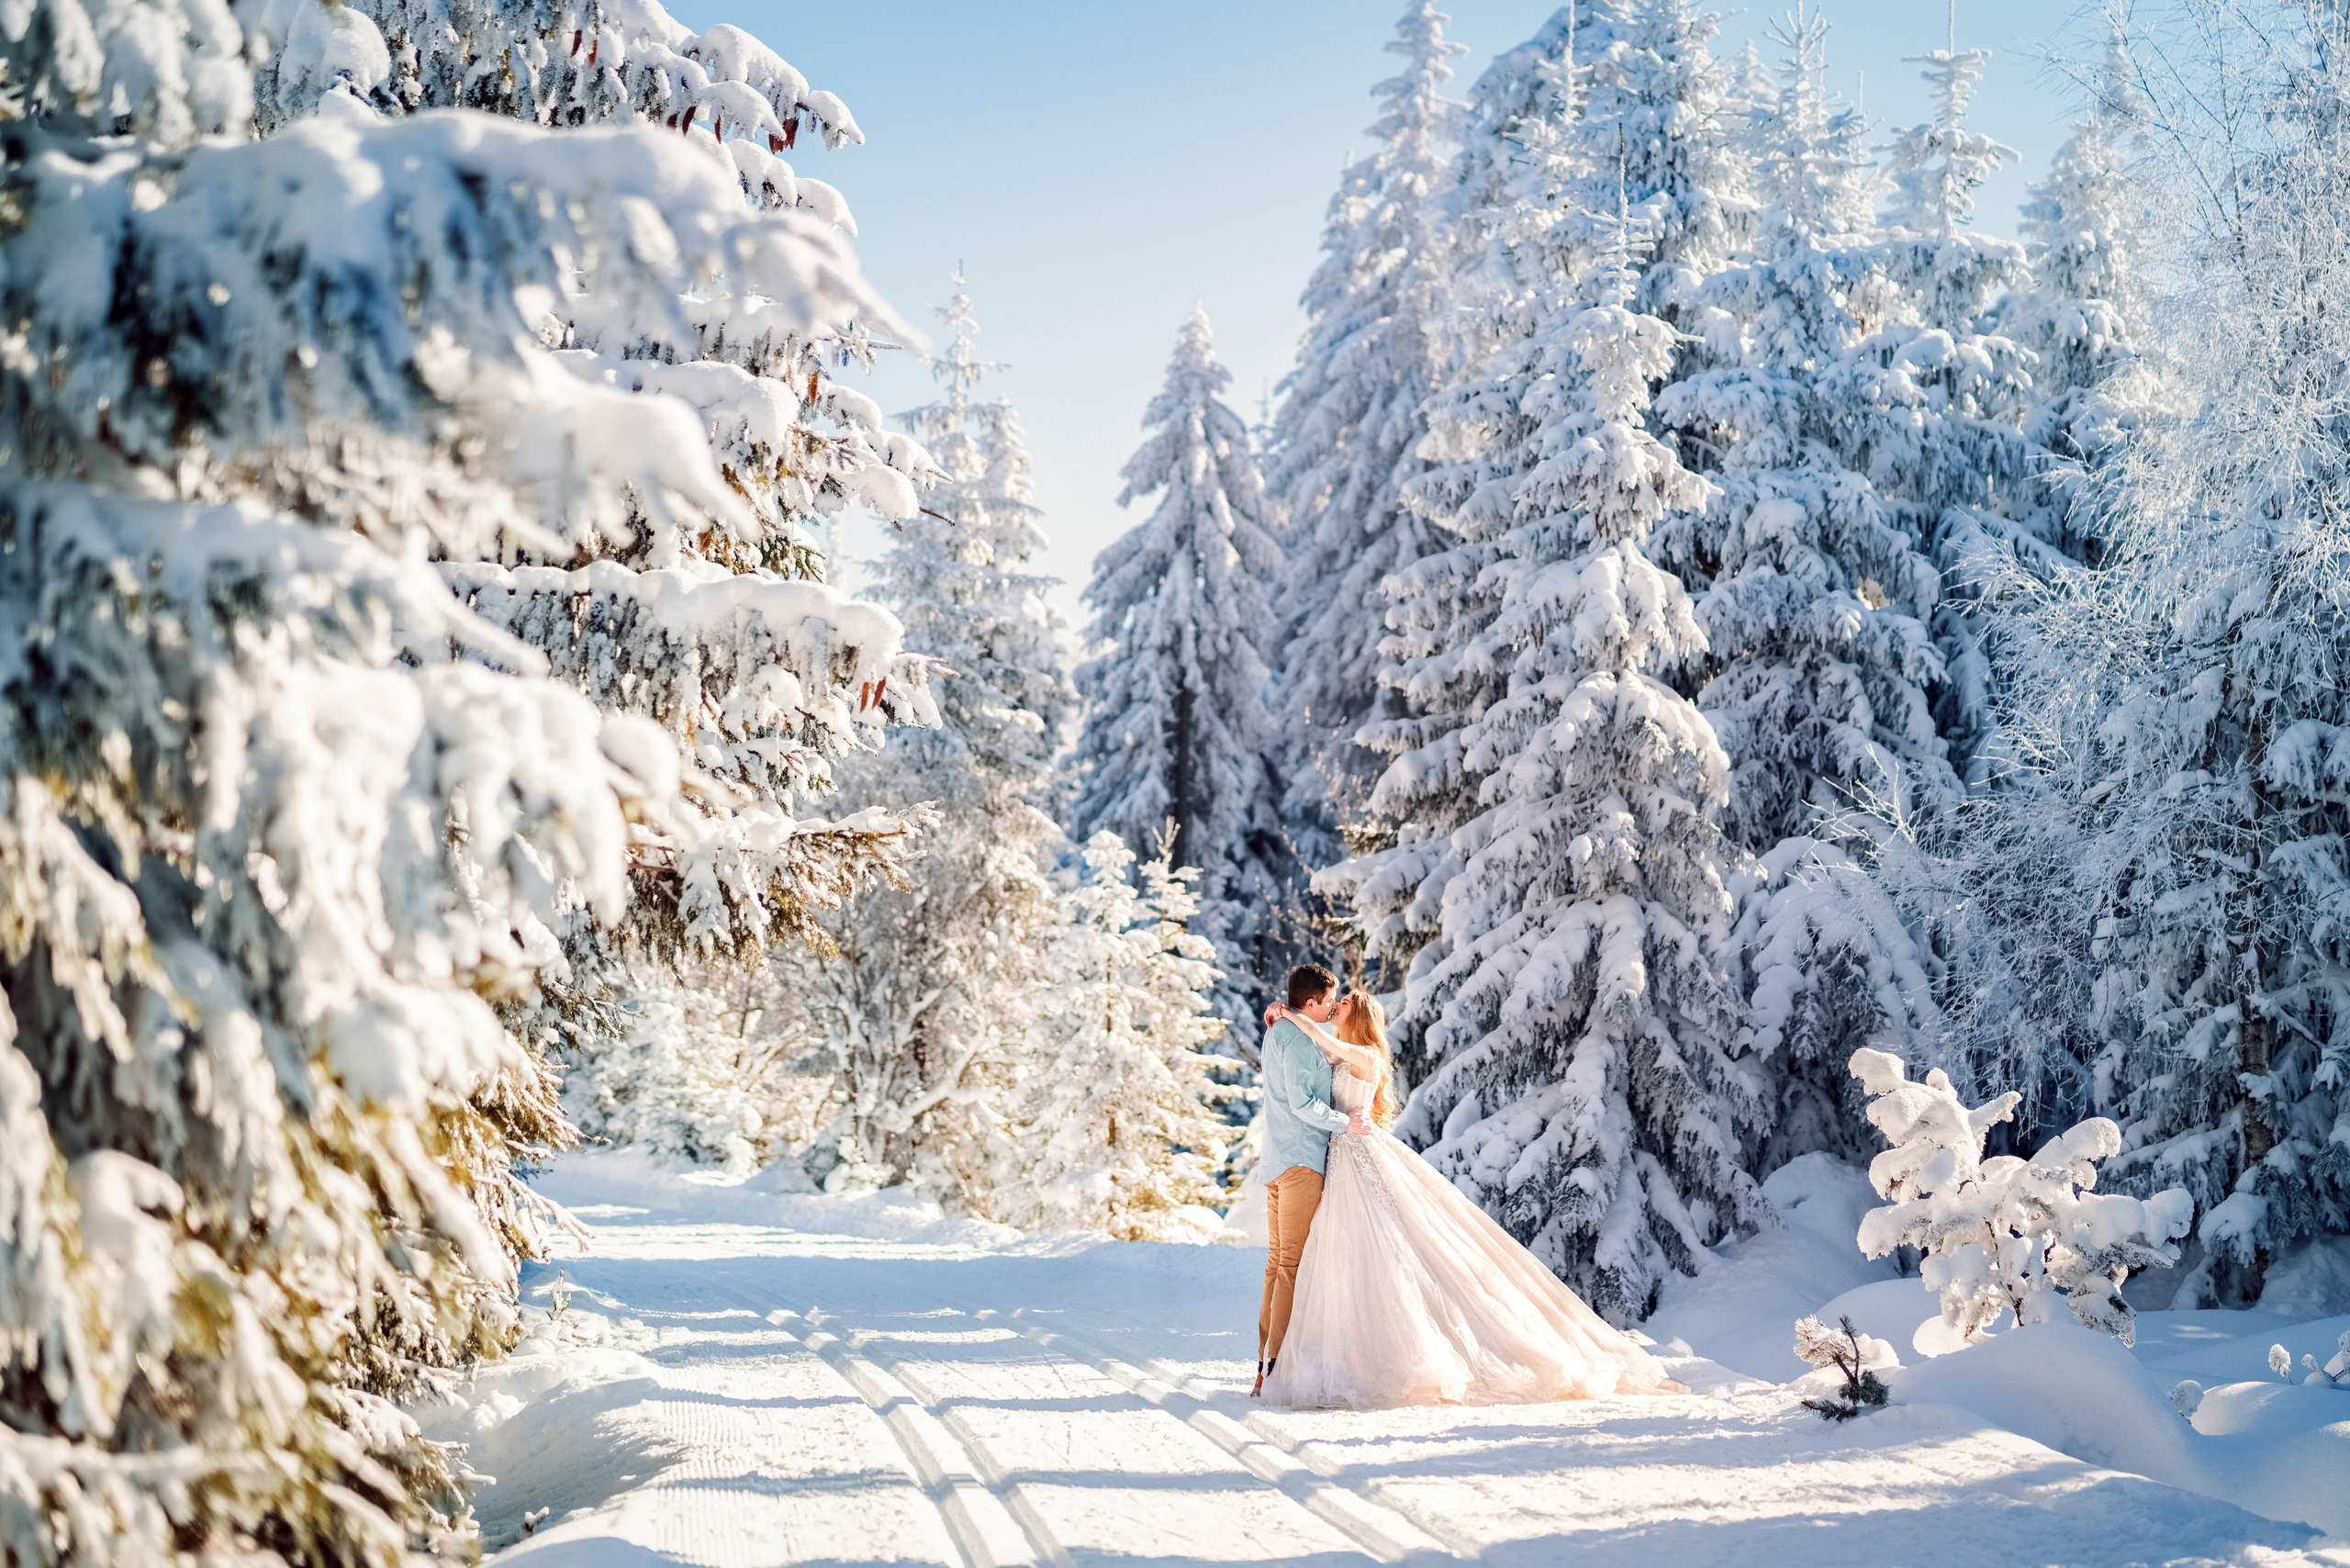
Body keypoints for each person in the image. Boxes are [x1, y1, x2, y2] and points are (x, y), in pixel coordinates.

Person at [1258, 991, 1686, 1408]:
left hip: (1360, 1155)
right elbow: (1314, 1064)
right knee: (1343, 1254)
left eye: (1344, 1003)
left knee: (1388, 1247)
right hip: (1340, 1158)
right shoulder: (1338, 1052)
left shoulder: (1364, 1054)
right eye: (1335, 1000)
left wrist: (1295, 1016)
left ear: (1359, 1016)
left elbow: (1324, 1043)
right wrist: (1288, 1018)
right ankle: (1332, 1352)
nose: (1336, 1005)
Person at [1253, 964, 1373, 1398]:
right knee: (1288, 1268)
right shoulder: (1301, 1039)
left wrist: (1283, 1012)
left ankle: (1264, 1368)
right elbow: (1305, 1104)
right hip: (1302, 1163)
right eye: (1327, 1001)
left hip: (1277, 1162)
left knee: (1276, 1266)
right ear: (1311, 1003)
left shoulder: (1278, 1031)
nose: (1330, 1008)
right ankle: (1276, 1368)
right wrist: (1346, 1123)